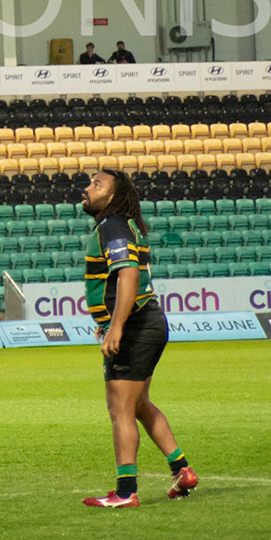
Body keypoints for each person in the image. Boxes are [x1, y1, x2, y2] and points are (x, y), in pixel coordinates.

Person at [77, 168, 196, 508]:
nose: (87, 188)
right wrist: (108, 319)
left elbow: (128, 274)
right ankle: (181, 469)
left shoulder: (113, 226)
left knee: (121, 408)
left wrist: (116, 326)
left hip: (136, 326)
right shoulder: (123, 225)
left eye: (96, 184)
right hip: (147, 322)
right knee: (139, 404)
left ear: (113, 196)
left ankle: (126, 492)